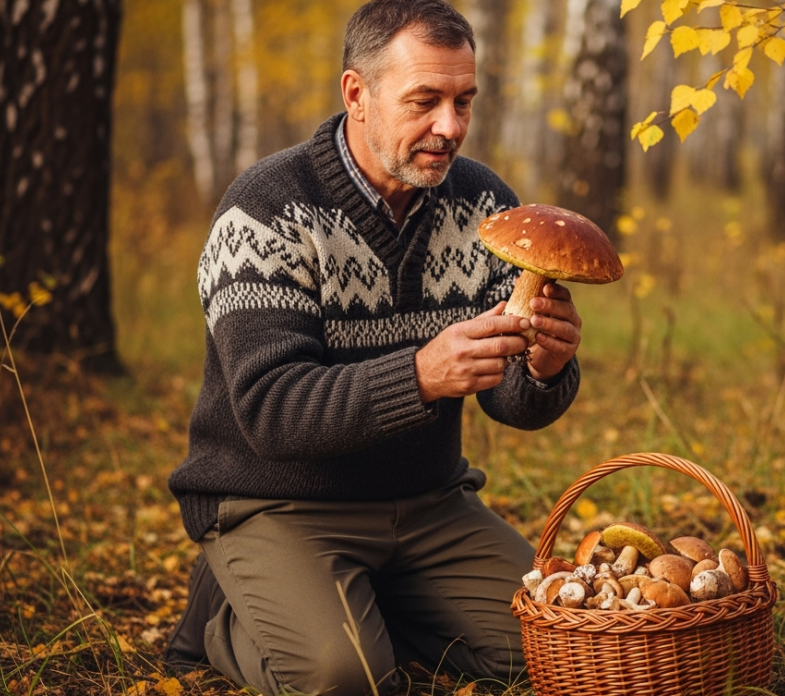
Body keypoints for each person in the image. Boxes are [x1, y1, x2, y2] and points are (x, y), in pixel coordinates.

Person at [161, 2, 583, 693]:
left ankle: (362, 607)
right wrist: (420, 375)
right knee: (346, 677)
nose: (450, 127)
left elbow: (512, 403)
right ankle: (223, 618)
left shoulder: (484, 205)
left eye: (464, 101)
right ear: (357, 94)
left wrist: (543, 369)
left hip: (429, 503)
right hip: (276, 504)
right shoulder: (265, 210)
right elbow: (270, 410)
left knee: (556, 646)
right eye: (425, 101)